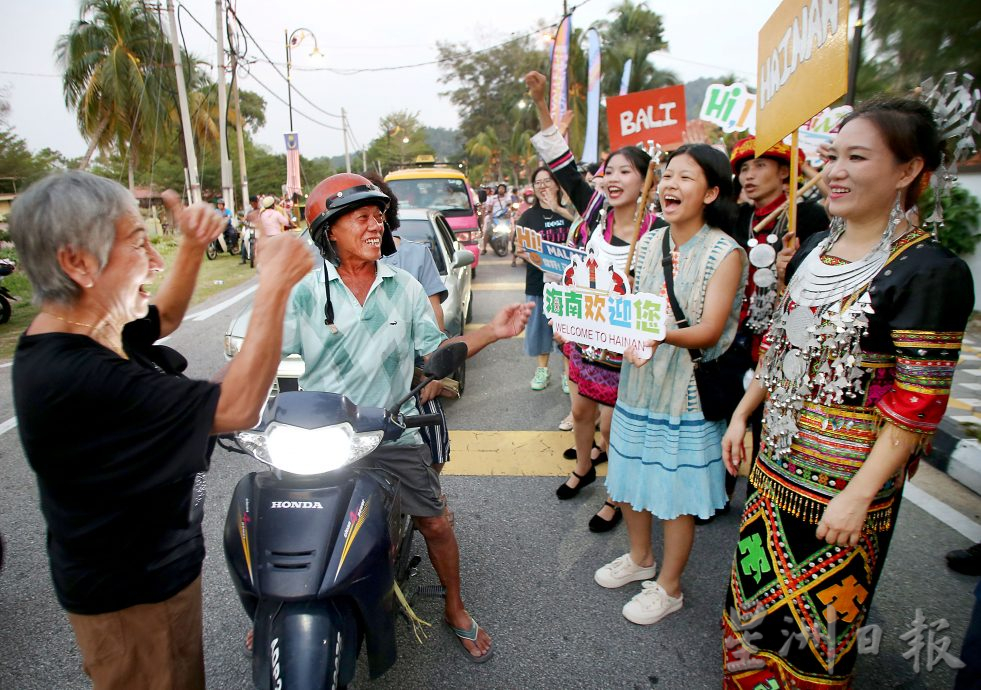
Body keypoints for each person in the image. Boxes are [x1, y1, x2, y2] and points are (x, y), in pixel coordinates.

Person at [9, 171, 313, 689]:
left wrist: (194, 246)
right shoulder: (75, 373)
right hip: (128, 596)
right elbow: (238, 406)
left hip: (160, 567)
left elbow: (165, 314)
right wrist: (275, 285)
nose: (154, 260)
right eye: (138, 243)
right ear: (78, 262)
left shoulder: (93, 323)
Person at [720, 97, 973, 688]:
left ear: (909, 170)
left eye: (856, 157)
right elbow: (782, 351)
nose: (834, 170)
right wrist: (741, 416)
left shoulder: (929, 272)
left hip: (844, 491)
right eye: (832, 155)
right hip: (773, 471)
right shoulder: (812, 253)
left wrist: (859, 496)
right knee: (753, 611)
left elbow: (916, 407)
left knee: (815, 635)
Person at [284, 173, 533, 662]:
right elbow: (264, 357)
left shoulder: (405, 287)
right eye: (362, 217)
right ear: (329, 231)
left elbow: (436, 350)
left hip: (391, 433)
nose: (376, 224)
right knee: (285, 520)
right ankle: (278, 606)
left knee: (437, 523)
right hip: (321, 438)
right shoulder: (305, 294)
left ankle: (455, 607)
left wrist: (492, 333)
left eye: (379, 216)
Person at [592, 144, 746, 625]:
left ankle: (670, 587)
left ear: (712, 192)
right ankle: (641, 558)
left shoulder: (727, 252)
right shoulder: (649, 242)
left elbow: (708, 330)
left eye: (686, 178)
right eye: (668, 177)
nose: (670, 186)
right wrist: (592, 323)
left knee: (676, 494)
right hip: (639, 383)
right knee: (631, 476)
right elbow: (629, 307)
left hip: (687, 392)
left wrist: (649, 333)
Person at [526, 70, 662, 533]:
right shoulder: (593, 211)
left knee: (616, 427)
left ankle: (615, 496)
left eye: (627, 171)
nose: (614, 178)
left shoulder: (658, 232)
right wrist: (540, 103)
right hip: (585, 340)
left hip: (629, 351)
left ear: (646, 181)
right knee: (581, 411)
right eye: (610, 171)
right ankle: (583, 468)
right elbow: (559, 160)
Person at [696, 137, 831, 526]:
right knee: (724, 413)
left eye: (760, 166)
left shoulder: (807, 216)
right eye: (744, 169)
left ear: (784, 171)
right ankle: (718, 493)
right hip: (735, 331)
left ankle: (762, 499)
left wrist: (797, 262)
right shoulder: (740, 217)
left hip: (782, 336)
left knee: (768, 422)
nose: (749, 176)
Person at [367, 172, 453, 475]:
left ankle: (432, 502)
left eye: (375, 211)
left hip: (414, 373)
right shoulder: (328, 267)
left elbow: (434, 314)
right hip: (362, 379)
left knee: (435, 445)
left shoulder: (415, 255)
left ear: (387, 212)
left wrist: (434, 372)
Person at [515, 167, 574, 391]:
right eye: (537, 182)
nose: (542, 186)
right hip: (538, 283)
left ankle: (568, 373)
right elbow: (519, 248)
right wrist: (524, 253)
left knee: (566, 329)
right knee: (540, 328)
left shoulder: (569, 212)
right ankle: (542, 370)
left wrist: (559, 208)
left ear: (557, 185)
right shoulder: (528, 216)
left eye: (547, 181)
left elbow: (585, 227)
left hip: (567, 285)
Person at [480, 183, 512, 255]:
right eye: (500, 188)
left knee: (512, 231)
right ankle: (484, 249)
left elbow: (509, 207)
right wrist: (491, 217)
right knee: (487, 232)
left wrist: (509, 213)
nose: (501, 190)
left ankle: (513, 248)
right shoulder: (493, 198)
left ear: (505, 190)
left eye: (503, 188)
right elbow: (490, 209)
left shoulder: (507, 197)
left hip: (504, 219)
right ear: (498, 189)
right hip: (494, 218)